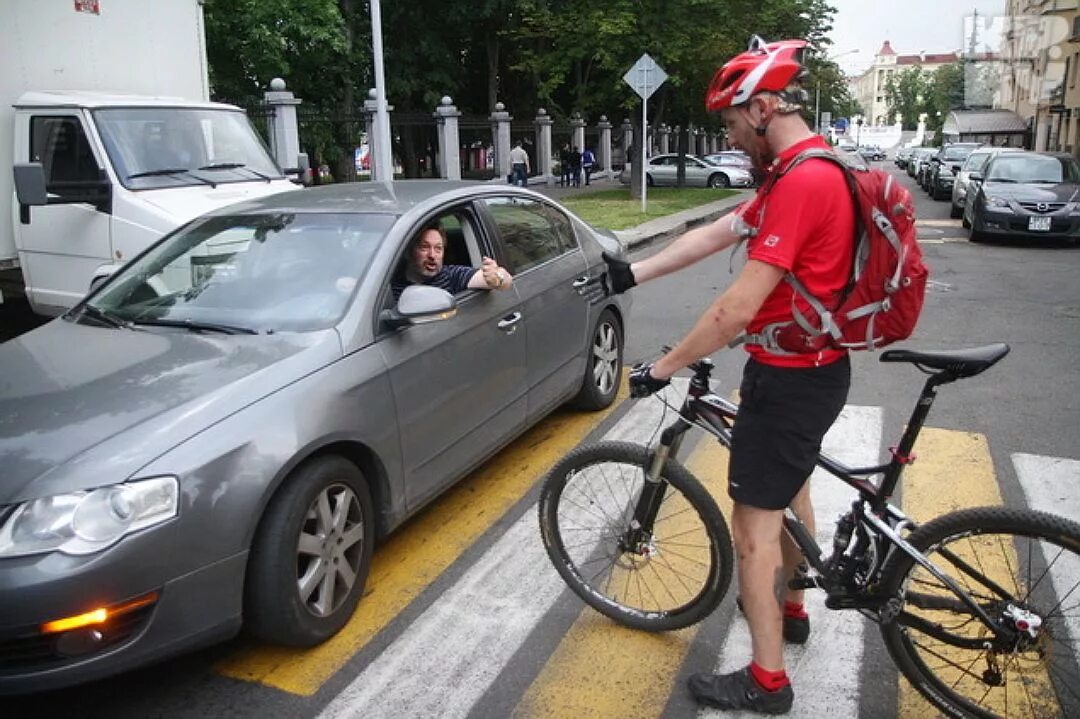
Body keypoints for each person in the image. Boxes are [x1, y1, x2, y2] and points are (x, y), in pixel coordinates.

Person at [595, 36, 855, 715]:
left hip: (792, 376)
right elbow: (718, 232)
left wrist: (663, 365)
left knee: (752, 524)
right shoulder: (802, 168)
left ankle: (767, 681)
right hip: (812, 369)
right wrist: (634, 270)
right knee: (790, 490)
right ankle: (792, 607)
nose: (733, 139)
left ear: (763, 106)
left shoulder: (802, 181)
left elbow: (736, 307)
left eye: (734, 125)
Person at [391, 225, 513, 299]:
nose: (432, 255)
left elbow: (507, 281)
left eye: (438, 248)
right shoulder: (388, 283)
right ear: (408, 252)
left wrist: (497, 277)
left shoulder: (451, 275)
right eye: (424, 247)